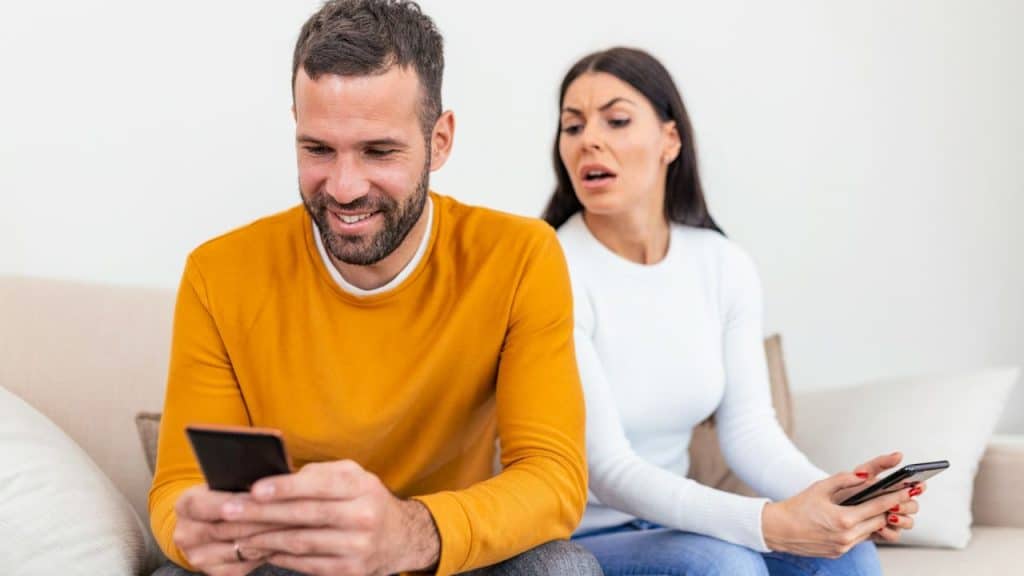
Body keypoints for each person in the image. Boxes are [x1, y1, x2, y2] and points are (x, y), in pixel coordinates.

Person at [148, 2, 600, 575]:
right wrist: (198, 534)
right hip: (294, 566)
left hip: (446, 559)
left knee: (560, 568)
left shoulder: (519, 257)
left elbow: (554, 480)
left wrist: (410, 532)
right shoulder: (218, 274)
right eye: (318, 149)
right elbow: (178, 488)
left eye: (378, 151)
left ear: (439, 141)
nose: (342, 187)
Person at [544, 46, 925, 576]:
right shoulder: (549, 267)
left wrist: (839, 501)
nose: (590, 140)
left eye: (617, 120)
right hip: (579, 535)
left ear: (669, 140)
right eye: (572, 126)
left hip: (671, 524)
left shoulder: (721, 264)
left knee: (851, 556)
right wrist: (767, 522)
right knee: (721, 564)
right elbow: (606, 470)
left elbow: (749, 432)